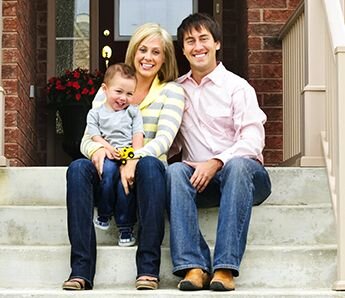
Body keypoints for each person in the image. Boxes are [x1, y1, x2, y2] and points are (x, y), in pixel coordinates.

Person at [62, 23, 185, 291]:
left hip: (144, 176)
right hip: (107, 171)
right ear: (133, 51)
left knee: (151, 165)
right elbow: (87, 138)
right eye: (142, 49)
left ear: (165, 58)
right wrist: (99, 151)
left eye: (156, 52)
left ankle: (148, 270)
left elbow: (164, 140)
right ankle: (81, 270)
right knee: (77, 169)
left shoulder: (171, 91)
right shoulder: (110, 88)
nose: (148, 57)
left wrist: (132, 159)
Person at [167, 13, 272, 292]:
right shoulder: (176, 91)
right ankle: (193, 266)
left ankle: (225, 268)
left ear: (217, 44)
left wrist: (216, 162)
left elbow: (252, 140)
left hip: (247, 179)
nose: (197, 46)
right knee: (174, 171)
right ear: (183, 49)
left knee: (236, 166)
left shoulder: (237, 87)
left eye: (204, 39)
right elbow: (171, 143)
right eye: (190, 41)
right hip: (201, 182)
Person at [86, 63, 144, 247]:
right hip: (109, 155)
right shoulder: (95, 114)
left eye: (129, 94)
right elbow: (94, 135)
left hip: (128, 156)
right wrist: (107, 148)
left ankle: (125, 229)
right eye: (118, 91)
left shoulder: (133, 112)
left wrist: (133, 158)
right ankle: (104, 213)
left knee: (124, 187)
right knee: (108, 174)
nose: (123, 98)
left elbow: (137, 136)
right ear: (105, 89)